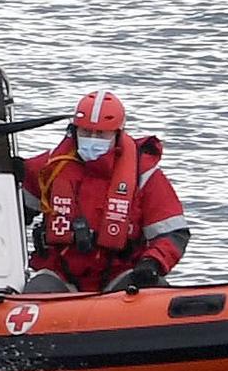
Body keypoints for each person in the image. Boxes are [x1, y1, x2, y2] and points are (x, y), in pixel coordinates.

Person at [20, 91, 190, 293]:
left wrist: (152, 263)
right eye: (86, 132)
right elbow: (16, 212)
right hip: (59, 274)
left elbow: (172, 232)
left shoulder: (143, 174)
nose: (92, 139)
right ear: (74, 131)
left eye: (101, 134)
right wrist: (10, 174)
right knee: (35, 293)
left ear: (118, 133)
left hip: (122, 275)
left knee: (154, 294)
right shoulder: (50, 167)